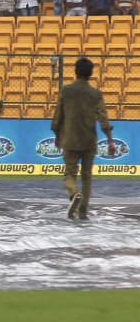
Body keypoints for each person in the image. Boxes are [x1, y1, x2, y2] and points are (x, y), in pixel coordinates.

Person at [51, 58, 114, 220]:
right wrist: (110, 140)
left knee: (69, 175)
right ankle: (83, 210)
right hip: (89, 140)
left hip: (70, 139)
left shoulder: (66, 91)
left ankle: (74, 193)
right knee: (86, 176)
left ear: (75, 71)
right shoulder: (95, 94)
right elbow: (103, 117)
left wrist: (57, 135)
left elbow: (59, 115)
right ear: (91, 74)